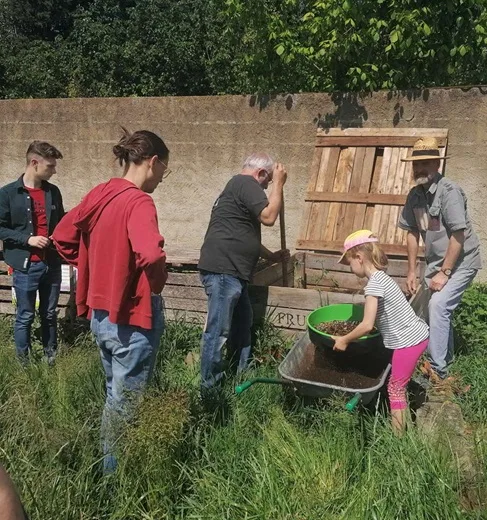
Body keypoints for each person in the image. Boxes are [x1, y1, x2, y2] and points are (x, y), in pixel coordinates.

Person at [51, 128, 170, 474]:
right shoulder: (139, 201)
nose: (162, 178)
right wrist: (158, 284)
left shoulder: (100, 194)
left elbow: (62, 235)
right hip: (132, 321)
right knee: (124, 406)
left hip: (100, 316)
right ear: (153, 162)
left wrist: (93, 266)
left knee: (113, 396)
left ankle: (108, 465)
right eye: (164, 169)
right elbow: (149, 253)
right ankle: (113, 481)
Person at [197, 153, 288, 391]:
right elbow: (268, 217)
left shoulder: (236, 188)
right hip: (224, 271)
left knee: (242, 323)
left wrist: (271, 256)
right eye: (266, 182)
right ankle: (210, 391)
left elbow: (243, 234)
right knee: (218, 331)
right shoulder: (246, 184)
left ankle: (242, 376)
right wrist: (278, 183)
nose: (267, 187)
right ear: (260, 174)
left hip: (232, 272)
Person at [398, 137, 482, 386]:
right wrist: (412, 270)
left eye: (425, 163)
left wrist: (445, 272)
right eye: (416, 164)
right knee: (433, 309)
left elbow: (459, 234)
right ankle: (447, 360)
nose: (419, 169)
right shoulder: (415, 196)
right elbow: (412, 232)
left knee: (438, 307)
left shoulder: (449, 192)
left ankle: (438, 372)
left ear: (437, 163)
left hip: (462, 262)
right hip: (437, 265)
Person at [332, 229, 430, 434]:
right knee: (397, 384)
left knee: (395, 388)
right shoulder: (382, 278)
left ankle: (398, 441)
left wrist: (344, 340)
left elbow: (367, 325)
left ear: (358, 257)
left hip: (408, 342)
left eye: (349, 262)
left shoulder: (374, 285)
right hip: (415, 336)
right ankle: (403, 428)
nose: (350, 268)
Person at [0, 141, 65, 365]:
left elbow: (62, 224)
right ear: (34, 163)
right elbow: (1, 227)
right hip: (26, 266)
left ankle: (50, 358)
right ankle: (23, 363)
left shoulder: (53, 192)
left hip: (52, 264)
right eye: (50, 166)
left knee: (49, 314)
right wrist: (28, 239)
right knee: (25, 316)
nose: (54, 170)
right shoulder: (8, 193)